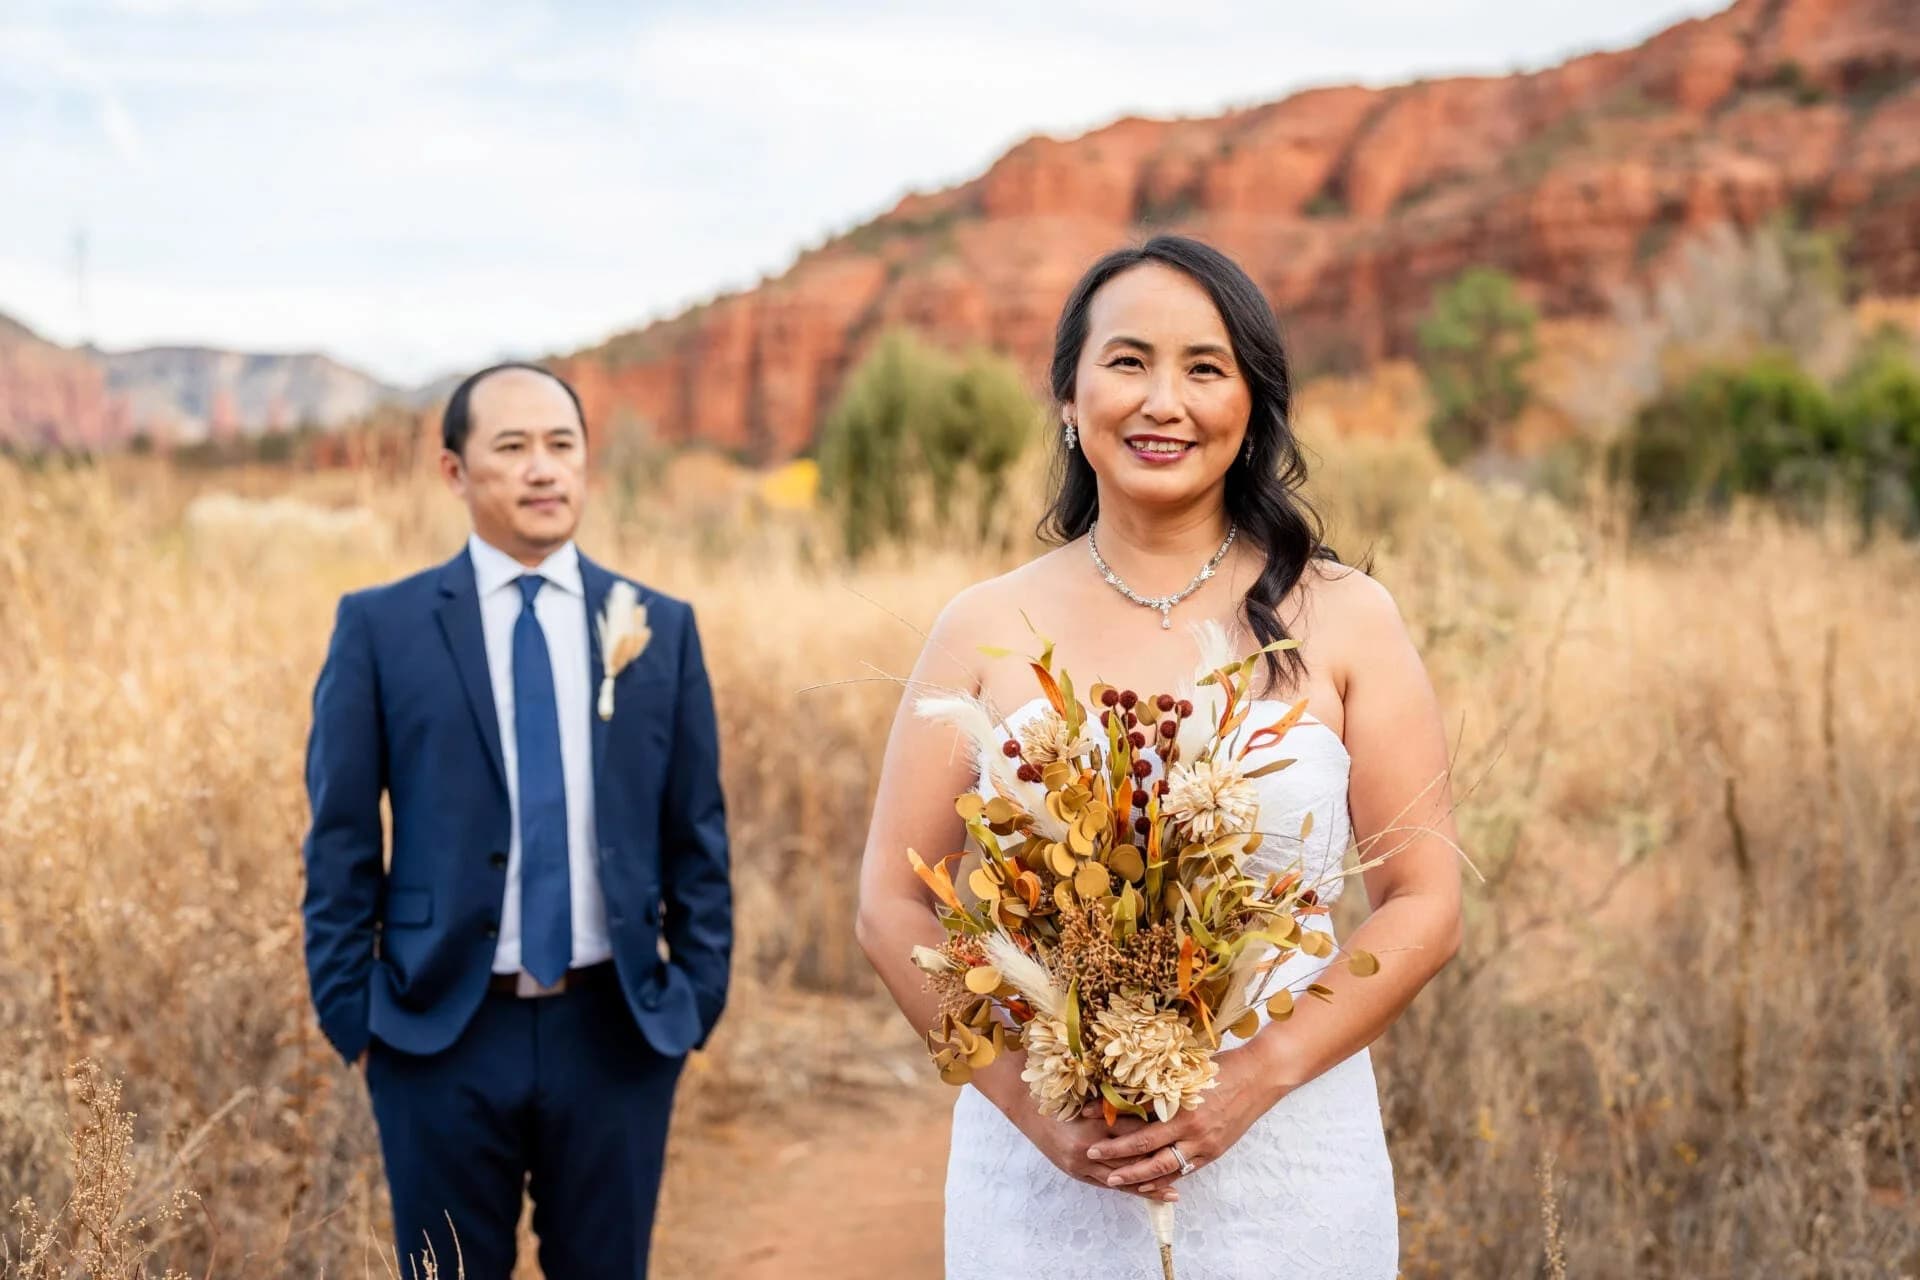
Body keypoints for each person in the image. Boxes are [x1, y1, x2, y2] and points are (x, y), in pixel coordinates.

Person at [854, 236, 1462, 1277]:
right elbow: (891, 906)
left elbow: (1425, 898)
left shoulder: (1348, 617)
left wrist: (1255, 1076)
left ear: (1254, 403)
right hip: (1044, 1178)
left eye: (1205, 367)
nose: (1162, 400)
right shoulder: (982, 623)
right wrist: (1033, 1107)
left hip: (1291, 1164)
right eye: (1127, 361)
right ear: (1067, 395)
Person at [301, 363, 731, 1278]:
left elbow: (697, 837)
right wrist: (357, 1015)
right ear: (455, 472)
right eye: (513, 447)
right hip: (438, 1037)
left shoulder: (659, 626)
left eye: (562, 446)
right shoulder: (382, 628)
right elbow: (339, 841)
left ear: (586, 463)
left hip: (615, 1034)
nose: (543, 469)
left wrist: (692, 1000)